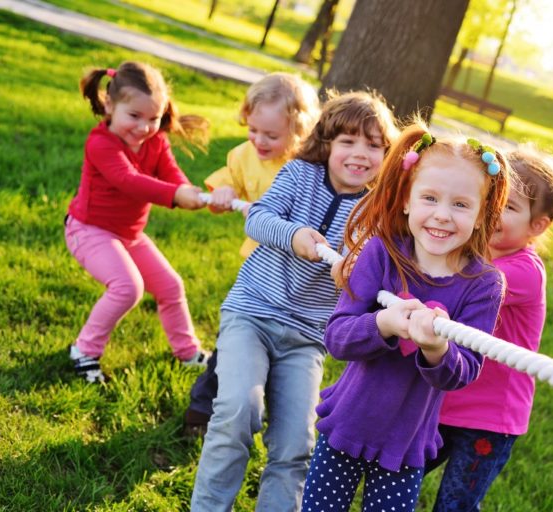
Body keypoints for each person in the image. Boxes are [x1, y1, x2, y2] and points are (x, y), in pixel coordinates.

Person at [190, 91, 399, 512]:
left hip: (307, 337)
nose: (360, 154)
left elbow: (373, 277)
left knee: (296, 444)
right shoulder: (300, 174)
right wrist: (295, 235)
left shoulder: (377, 211)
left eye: (373, 146)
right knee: (236, 412)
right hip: (253, 312)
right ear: (327, 144)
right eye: (348, 142)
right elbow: (260, 217)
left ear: (386, 155)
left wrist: (355, 277)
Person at [301, 123, 512, 512]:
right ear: (407, 201)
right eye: (430, 198)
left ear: (483, 215)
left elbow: (463, 372)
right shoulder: (382, 253)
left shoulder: (484, 283)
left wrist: (436, 348)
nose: (443, 216)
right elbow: (338, 338)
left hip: (406, 444)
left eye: (461, 205)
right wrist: (386, 324)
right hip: (346, 426)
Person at [428, 147, 553, 511]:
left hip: (489, 418)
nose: (493, 212)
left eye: (509, 206)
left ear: (538, 226)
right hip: (446, 400)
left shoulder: (522, 272)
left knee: (454, 505)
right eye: (491, 198)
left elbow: (455, 286)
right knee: (398, 476)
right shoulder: (474, 251)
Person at [183, 73, 320, 436]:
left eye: (271, 136)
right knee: (237, 341)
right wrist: (224, 194)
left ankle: (275, 412)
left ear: (299, 131)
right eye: (253, 130)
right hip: (258, 272)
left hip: (299, 277)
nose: (259, 140)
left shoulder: (308, 167)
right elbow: (222, 188)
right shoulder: (243, 156)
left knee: (283, 350)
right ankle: (201, 408)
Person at [65, 61, 211, 384]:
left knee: (171, 286)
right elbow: (128, 180)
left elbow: (170, 172)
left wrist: (186, 191)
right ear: (109, 105)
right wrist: (175, 195)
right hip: (88, 230)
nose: (144, 127)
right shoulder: (101, 143)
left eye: (153, 118)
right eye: (134, 116)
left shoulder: (156, 141)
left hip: (128, 235)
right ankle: (84, 350)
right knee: (128, 287)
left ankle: (187, 352)